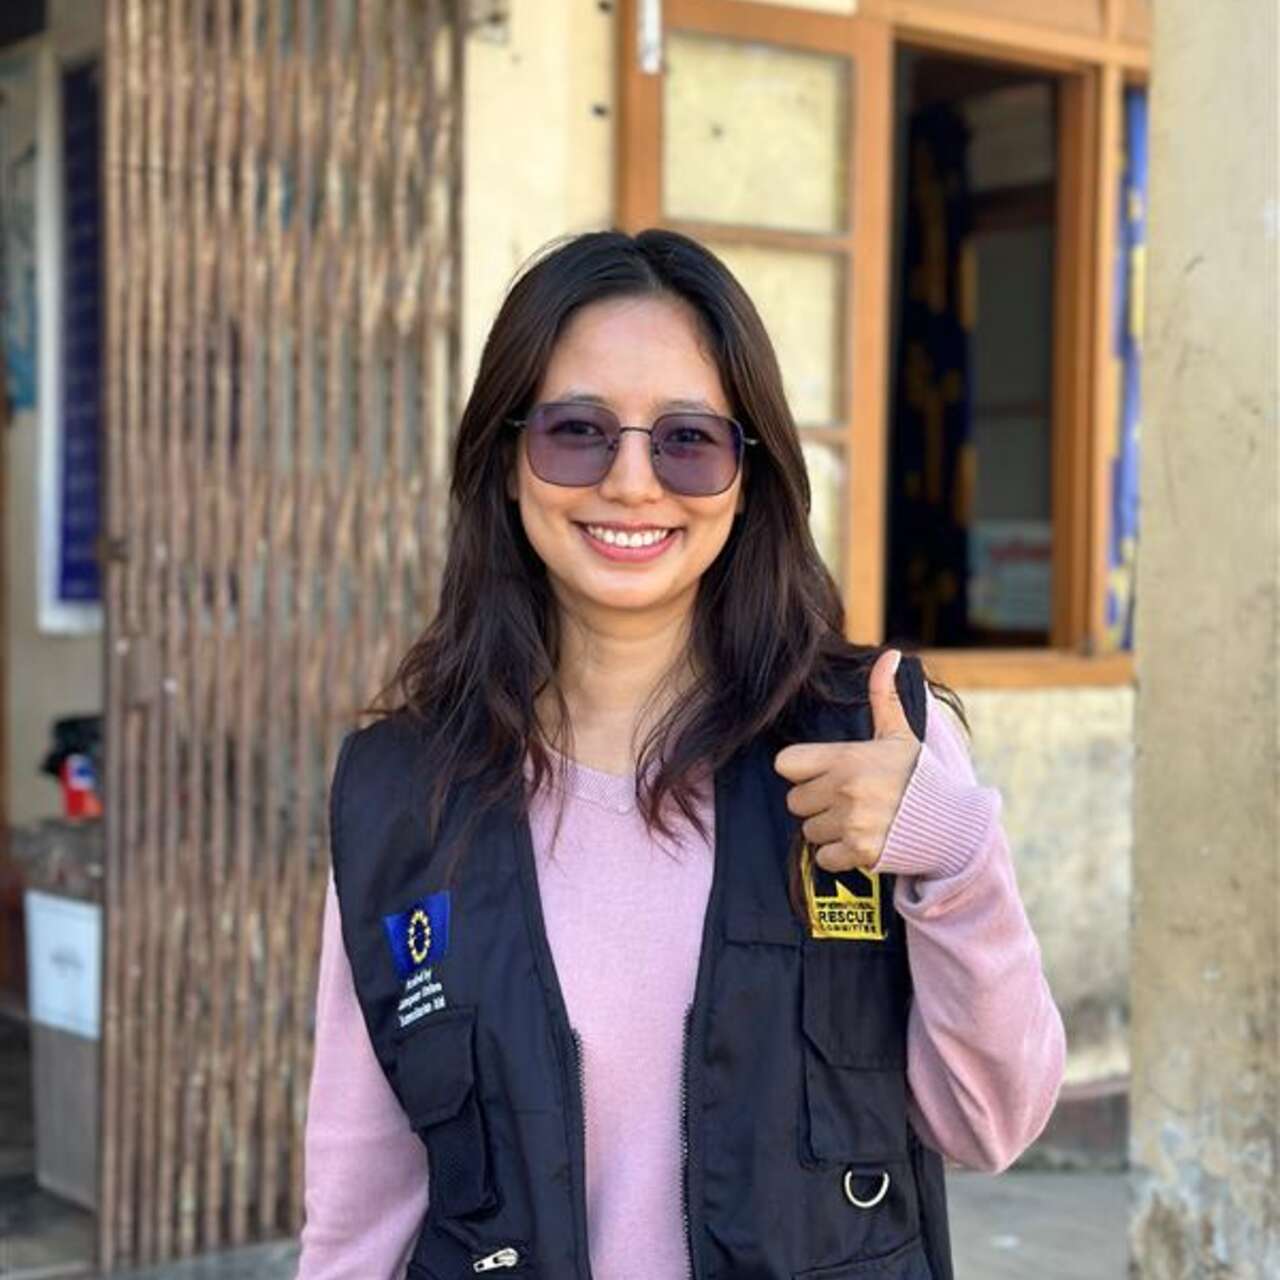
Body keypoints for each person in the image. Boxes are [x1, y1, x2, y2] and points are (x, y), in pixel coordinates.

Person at [296, 229, 1065, 1280]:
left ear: (746, 474)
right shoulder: (401, 790)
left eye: (686, 438)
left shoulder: (869, 738)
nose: (629, 481)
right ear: (506, 460)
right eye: (575, 431)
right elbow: (359, 1198)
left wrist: (950, 852)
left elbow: (991, 1121)